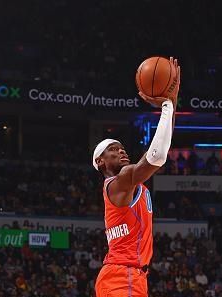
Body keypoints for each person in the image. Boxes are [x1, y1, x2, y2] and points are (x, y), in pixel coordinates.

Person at [93, 57, 180, 297]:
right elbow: (158, 156)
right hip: (123, 277)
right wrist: (166, 107)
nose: (120, 150)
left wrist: (172, 102)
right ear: (100, 162)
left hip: (125, 276)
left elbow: (162, 145)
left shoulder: (126, 183)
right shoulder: (121, 181)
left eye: (121, 147)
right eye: (112, 149)